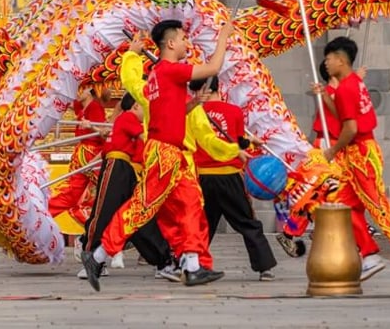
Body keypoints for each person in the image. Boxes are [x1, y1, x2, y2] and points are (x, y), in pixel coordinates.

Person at [82, 19, 248, 291]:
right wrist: (223, 38)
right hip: (164, 153)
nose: (187, 42)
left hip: (174, 154)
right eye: (183, 38)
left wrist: (193, 103)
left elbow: (165, 112)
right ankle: (99, 255)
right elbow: (214, 67)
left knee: (191, 204)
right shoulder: (171, 70)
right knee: (142, 207)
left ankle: (192, 265)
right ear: (170, 43)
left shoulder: (158, 73)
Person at [318, 36, 390, 288]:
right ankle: (369, 254)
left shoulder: (347, 87)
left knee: (379, 208)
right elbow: (347, 117)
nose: (326, 64)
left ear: (341, 60)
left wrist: (333, 150)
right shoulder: (354, 82)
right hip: (359, 154)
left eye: (329, 59)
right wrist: (327, 100)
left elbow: (350, 128)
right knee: (339, 203)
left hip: (360, 156)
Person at [78, 92, 176, 281]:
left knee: (115, 215)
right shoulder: (128, 117)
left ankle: (95, 258)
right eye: (144, 107)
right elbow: (144, 139)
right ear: (136, 106)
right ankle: (162, 260)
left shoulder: (123, 121)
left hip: (121, 170)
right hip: (118, 167)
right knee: (119, 214)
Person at [189, 76, 276, 282]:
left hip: (203, 178)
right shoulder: (234, 112)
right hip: (230, 176)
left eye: (196, 91)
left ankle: (190, 264)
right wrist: (251, 142)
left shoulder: (192, 112)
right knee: (247, 222)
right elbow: (236, 142)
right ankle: (264, 267)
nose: (194, 96)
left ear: (205, 90)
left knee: (202, 225)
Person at [48, 87, 109, 226]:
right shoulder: (83, 108)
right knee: (76, 193)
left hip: (91, 153)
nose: (76, 93)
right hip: (83, 153)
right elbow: (68, 102)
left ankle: (45, 210)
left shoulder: (94, 107)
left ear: (89, 90)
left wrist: (91, 126)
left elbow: (103, 133)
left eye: (80, 89)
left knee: (81, 193)